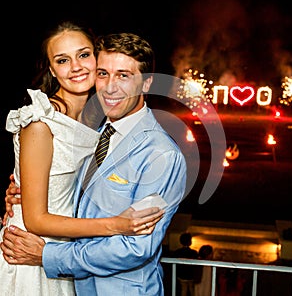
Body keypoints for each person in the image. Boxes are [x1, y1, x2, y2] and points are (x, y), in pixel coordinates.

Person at [1, 32, 187, 295]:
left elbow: (136, 248)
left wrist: (49, 256)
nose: (110, 87)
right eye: (103, 74)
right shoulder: (95, 133)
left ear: (146, 84)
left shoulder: (161, 154)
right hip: (76, 285)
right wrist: (20, 191)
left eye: (123, 76)